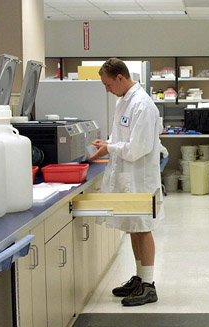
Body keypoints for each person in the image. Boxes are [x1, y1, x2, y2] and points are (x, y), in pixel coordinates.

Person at [88, 58, 164, 307]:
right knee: (133, 226)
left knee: (142, 227)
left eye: (108, 84)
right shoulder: (124, 101)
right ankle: (140, 278)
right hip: (127, 175)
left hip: (140, 177)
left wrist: (111, 147)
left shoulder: (142, 104)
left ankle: (149, 285)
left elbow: (137, 149)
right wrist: (107, 148)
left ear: (120, 78)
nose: (107, 90)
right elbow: (119, 137)